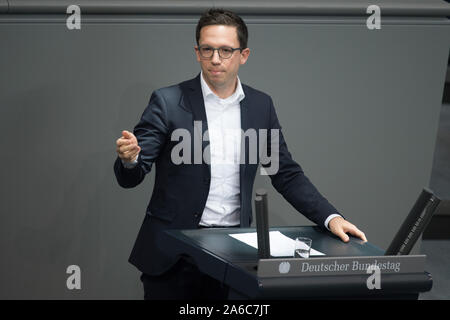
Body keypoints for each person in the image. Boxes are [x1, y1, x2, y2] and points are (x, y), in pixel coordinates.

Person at [114, 8, 367, 300]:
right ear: (197, 52)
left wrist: (330, 217)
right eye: (207, 49)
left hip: (234, 254)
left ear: (243, 55)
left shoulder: (261, 106)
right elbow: (131, 175)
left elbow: (285, 173)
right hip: (174, 253)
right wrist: (130, 159)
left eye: (225, 50)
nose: (215, 59)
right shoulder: (168, 101)